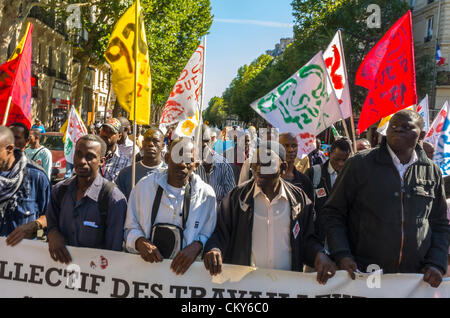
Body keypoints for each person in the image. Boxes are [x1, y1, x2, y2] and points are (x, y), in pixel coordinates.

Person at [321, 110, 450, 288]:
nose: (398, 130)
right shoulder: (360, 164)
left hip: (414, 279)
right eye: (394, 126)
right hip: (365, 275)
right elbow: (333, 213)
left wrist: (437, 262)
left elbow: (440, 223)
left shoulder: (432, 171)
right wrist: (342, 254)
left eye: (406, 127)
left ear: (422, 134)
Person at [203, 141, 336, 284]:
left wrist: (318, 255)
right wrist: (214, 249)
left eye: (268, 164)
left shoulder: (300, 201)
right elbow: (220, 233)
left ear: (283, 168)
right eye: (256, 164)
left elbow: (308, 240)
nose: (259, 169)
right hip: (245, 287)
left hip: (286, 286)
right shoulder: (236, 198)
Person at [124, 137, 217, 276]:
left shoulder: (207, 195)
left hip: (187, 276)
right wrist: (139, 241)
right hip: (145, 273)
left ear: (196, 165)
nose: (182, 164)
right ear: (167, 158)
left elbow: (209, 234)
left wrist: (198, 245)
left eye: (188, 160)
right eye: (177, 156)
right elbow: (129, 228)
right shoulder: (144, 187)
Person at [46, 135, 128, 264]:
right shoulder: (59, 191)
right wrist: (53, 234)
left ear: (102, 161)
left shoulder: (113, 199)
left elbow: (113, 253)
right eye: (78, 154)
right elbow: (50, 225)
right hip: (59, 272)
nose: (82, 161)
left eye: (90, 156)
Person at [0, 126, 50, 246]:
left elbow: (50, 216)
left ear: (9, 149)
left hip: (21, 257)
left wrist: (34, 226)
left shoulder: (37, 176)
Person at [305, 138, 352, 242]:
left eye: (344, 160)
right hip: (318, 236)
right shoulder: (314, 173)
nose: (340, 164)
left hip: (341, 235)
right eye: (336, 159)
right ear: (329, 154)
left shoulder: (352, 176)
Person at [115, 127, 167, 199]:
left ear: (163, 146)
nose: (151, 144)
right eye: (147, 140)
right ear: (142, 143)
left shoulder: (168, 175)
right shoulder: (126, 173)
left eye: (155, 141)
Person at [196, 126, 236, 205]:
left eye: (206, 141)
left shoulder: (223, 165)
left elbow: (231, 197)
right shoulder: (189, 167)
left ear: (211, 140)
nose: (203, 144)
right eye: (199, 141)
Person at [279, 132, 314, 201]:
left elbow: (309, 209)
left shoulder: (305, 181)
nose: (291, 150)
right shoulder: (268, 178)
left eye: (294, 146)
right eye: (286, 146)